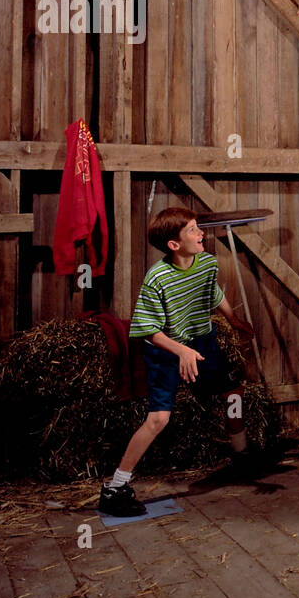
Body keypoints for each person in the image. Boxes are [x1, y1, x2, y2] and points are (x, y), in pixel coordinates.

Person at [99, 208, 256, 517]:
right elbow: (147, 329)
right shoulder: (157, 278)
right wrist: (180, 351)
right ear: (174, 244)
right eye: (193, 231)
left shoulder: (208, 263)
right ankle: (115, 487)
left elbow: (213, 294)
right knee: (158, 419)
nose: (202, 235)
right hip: (166, 351)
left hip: (203, 344)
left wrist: (233, 319)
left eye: (199, 228)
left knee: (233, 392)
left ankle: (241, 455)